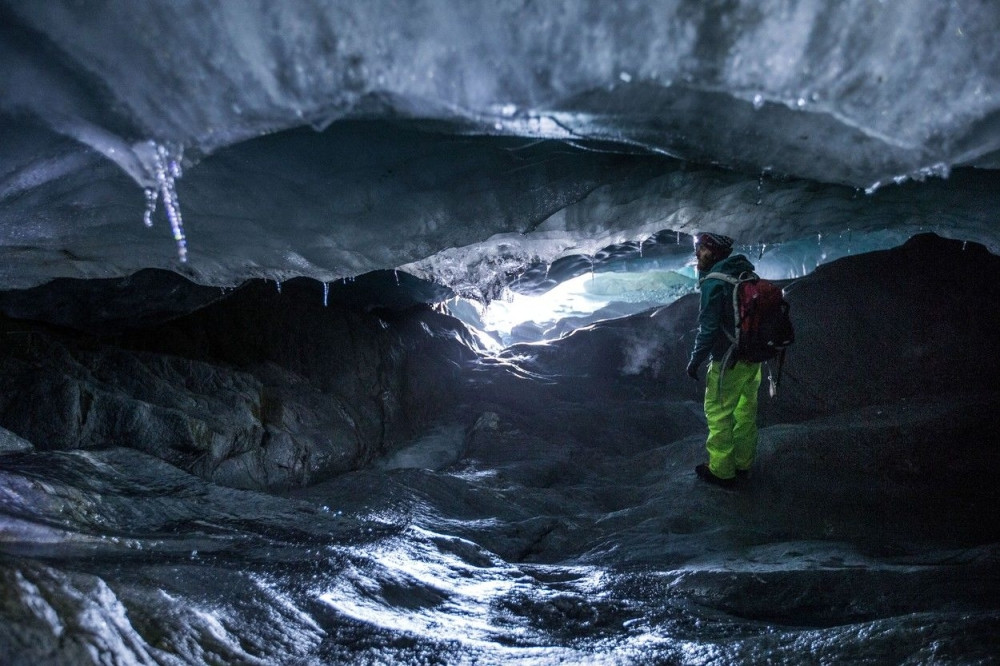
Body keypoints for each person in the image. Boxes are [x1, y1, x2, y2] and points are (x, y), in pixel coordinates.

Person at [685, 232, 762, 489]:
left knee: (718, 414)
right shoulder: (745, 272)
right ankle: (743, 463)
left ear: (715, 252)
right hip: (753, 357)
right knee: (745, 412)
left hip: (727, 361)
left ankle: (721, 471)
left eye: (702, 249)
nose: (697, 253)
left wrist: (695, 361)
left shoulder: (714, 283)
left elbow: (707, 330)